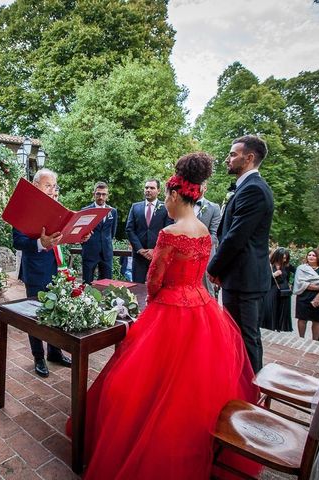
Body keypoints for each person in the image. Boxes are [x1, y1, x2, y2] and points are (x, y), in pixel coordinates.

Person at [70, 152, 259, 478]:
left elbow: (155, 281)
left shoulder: (170, 233)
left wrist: (154, 306)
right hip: (202, 308)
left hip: (170, 308)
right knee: (197, 387)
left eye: (167, 198)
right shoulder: (203, 230)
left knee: (136, 384)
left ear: (173, 194)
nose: (165, 207)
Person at [208, 135, 274, 373]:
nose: (228, 159)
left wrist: (213, 268)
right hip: (239, 278)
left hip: (246, 280)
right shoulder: (246, 187)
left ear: (249, 158)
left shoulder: (254, 189)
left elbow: (236, 237)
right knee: (237, 335)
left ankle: (251, 394)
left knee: (247, 338)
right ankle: (239, 381)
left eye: (233, 154)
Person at [13, 168, 73, 377]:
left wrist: (78, 235)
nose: (52, 189)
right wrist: (40, 242)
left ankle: (54, 352)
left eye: (54, 186)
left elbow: (60, 236)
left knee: (56, 311)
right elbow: (18, 241)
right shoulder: (24, 208)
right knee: (36, 315)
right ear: (35, 185)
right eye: (48, 185)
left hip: (56, 268)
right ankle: (38, 357)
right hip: (35, 270)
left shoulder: (56, 207)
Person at [125, 179, 173, 283]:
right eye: (146, 187)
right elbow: (129, 229)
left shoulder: (166, 208)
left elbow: (168, 230)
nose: (148, 190)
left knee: (157, 286)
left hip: (158, 256)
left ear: (158, 191)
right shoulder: (135, 207)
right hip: (139, 256)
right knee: (137, 287)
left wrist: (155, 250)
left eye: (152, 188)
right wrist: (140, 249)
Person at [81, 182, 117, 284]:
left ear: (107, 195)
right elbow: (81, 234)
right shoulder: (85, 210)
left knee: (106, 285)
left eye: (104, 194)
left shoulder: (113, 211)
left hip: (106, 253)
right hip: (89, 252)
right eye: (98, 194)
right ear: (94, 194)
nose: (101, 197)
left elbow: (112, 232)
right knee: (86, 284)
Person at [294, 249, 319, 340]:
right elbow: (300, 283)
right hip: (304, 295)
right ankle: (301, 338)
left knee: (317, 320)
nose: (311, 257)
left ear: (318, 257)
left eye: (314, 255)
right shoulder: (301, 268)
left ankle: (315, 340)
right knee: (302, 318)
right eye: (309, 255)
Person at [195, 181, 221, 295]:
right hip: (183, 254)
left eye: (198, 184)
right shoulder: (182, 205)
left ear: (205, 188)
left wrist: (196, 248)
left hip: (204, 256)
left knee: (206, 292)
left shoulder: (214, 208)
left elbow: (214, 235)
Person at [262, 247, 296, 332]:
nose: (284, 260)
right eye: (282, 257)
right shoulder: (268, 265)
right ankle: (270, 328)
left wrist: (292, 284)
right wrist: (273, 275)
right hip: (271, 291)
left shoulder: (287, 266)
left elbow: (298, 273)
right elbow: (262, 278)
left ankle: (279, 328)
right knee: (270, 310)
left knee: (282, 311)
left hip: (284, 292)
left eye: (286, 258)